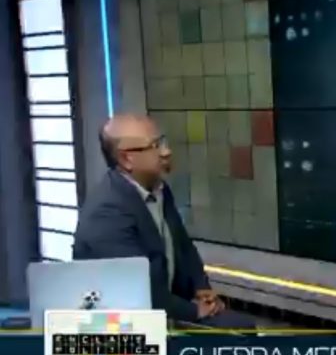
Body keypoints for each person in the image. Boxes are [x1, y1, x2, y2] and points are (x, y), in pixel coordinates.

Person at [73, 114, 256, 328]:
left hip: (168, 307)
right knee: (237, 331)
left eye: (163, 141)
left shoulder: (159, 189)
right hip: (126, 323)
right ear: (126, 159)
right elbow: (136, 288)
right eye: (155, 146)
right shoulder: (107, 212)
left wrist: (201, 286)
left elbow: (183, 245)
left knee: (241, 327)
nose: (166, 151)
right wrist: (194, 311)